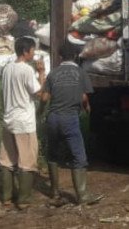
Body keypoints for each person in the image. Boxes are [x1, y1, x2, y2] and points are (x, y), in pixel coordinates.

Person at [42, 42, 103, 205]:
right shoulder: (81, 73)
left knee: (53, 155)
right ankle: (82, 196)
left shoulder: (52, 74)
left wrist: (39, 113)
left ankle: (54, 193)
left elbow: (44, 98)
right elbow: (84, 97)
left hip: (53, 118)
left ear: (60, 56)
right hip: (70, 119)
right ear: (75, 56)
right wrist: (87, 108)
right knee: (79, 157)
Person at [0, 36, 46, 209]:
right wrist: (41, 73)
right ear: (26, 52)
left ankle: (6, 197)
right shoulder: (26, 70)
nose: (34, 54)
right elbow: (39, 93)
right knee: (27, 161)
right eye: (33, 50)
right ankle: (24, 200)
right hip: (23, 122)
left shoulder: (7, 69)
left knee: (7, 160)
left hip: (8, 120)